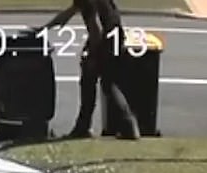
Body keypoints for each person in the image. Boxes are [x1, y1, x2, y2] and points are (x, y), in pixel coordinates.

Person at [36, 0, 140, 140]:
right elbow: (68, 14)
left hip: (105, 39)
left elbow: (95, 25)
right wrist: (45, 28)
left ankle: (124, 126)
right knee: (103, 82)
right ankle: (88, 126)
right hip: (113, 35)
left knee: (99, 82)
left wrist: (93, 54)